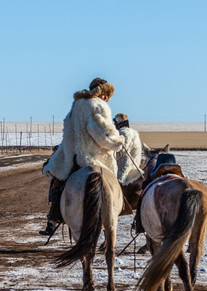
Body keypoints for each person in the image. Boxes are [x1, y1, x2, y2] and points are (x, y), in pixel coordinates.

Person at [40, 78, 124, 236]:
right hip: (94, 157)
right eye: (103, 94)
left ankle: (53, 219)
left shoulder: (76, 105)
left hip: (72, 155)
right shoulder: (97, 106)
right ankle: (117, 209)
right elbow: (99, 133)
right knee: (114, 184)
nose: (105, 98)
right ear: (97, 92)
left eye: (107, 95)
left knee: (58, 181)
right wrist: (118, 141)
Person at [113, 113, 144, 186]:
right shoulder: (133, 132)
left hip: (126, 171)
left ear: (119, 123)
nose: (114, 125)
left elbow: (124, 151)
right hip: (133, 168)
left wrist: (121, 179)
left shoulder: (124, 132)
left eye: (115, 123)